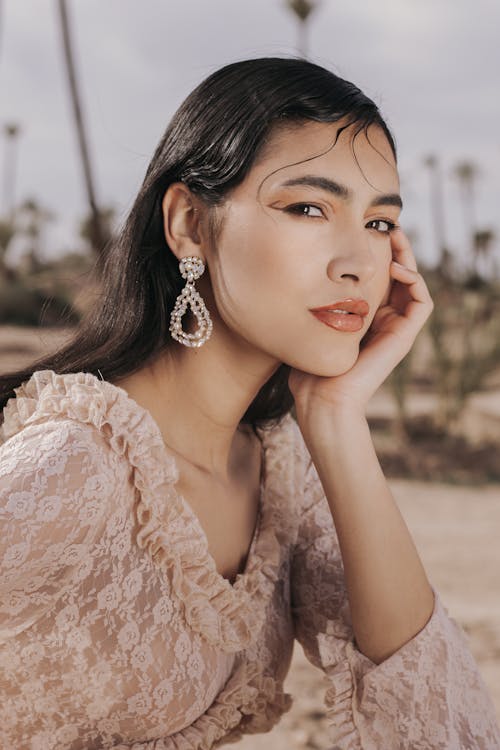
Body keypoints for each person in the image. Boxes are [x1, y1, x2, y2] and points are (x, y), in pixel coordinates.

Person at [0, 57, 498, 750]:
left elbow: (442, 728)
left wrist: (336, 417)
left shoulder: (280, 476)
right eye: (308, 208)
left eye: (381, 223)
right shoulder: (76, 462)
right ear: (189, 225)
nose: (357, 260)